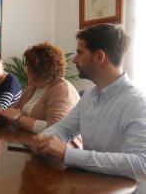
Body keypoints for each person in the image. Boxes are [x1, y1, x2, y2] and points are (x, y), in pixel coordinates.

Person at [31, 23, 146, 180]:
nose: (75, 60)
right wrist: (45, 139)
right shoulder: (90, 96)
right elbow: (64, 128)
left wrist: (68, 154)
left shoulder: (137, 103)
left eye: (79, 52)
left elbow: (142, 164)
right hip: (89, 185)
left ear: (99, 56)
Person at [0, 42, 80, 133]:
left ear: (38, 70)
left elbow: (55, 130)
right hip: (29, 140)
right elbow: (15, 109)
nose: (25, 71)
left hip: (58, 146)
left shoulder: (62, 89)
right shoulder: (33, 87)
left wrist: (19, 118)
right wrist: (2, 112)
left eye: (27, 67)